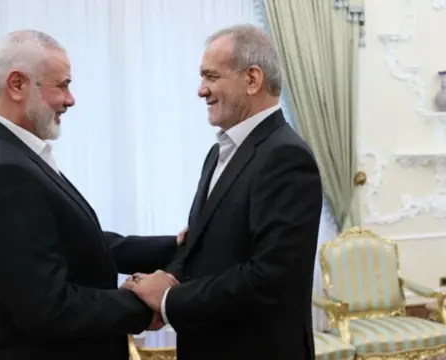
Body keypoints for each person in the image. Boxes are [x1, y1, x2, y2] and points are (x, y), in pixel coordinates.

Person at [0, 30, 180, 360]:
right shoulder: (1, 171)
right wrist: (145, 304)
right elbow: (47, 308)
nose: (70, 99)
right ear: (17, 84)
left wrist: (172, 247)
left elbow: (62, 240)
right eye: (61, 85)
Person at [123, 24, 323, 359]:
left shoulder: (287, 156)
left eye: (211, 77)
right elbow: (201, 246)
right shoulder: (219, 152)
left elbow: (270, 277)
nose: (201, 90)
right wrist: (166, 277)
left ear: (252, 79)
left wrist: (169, 300)